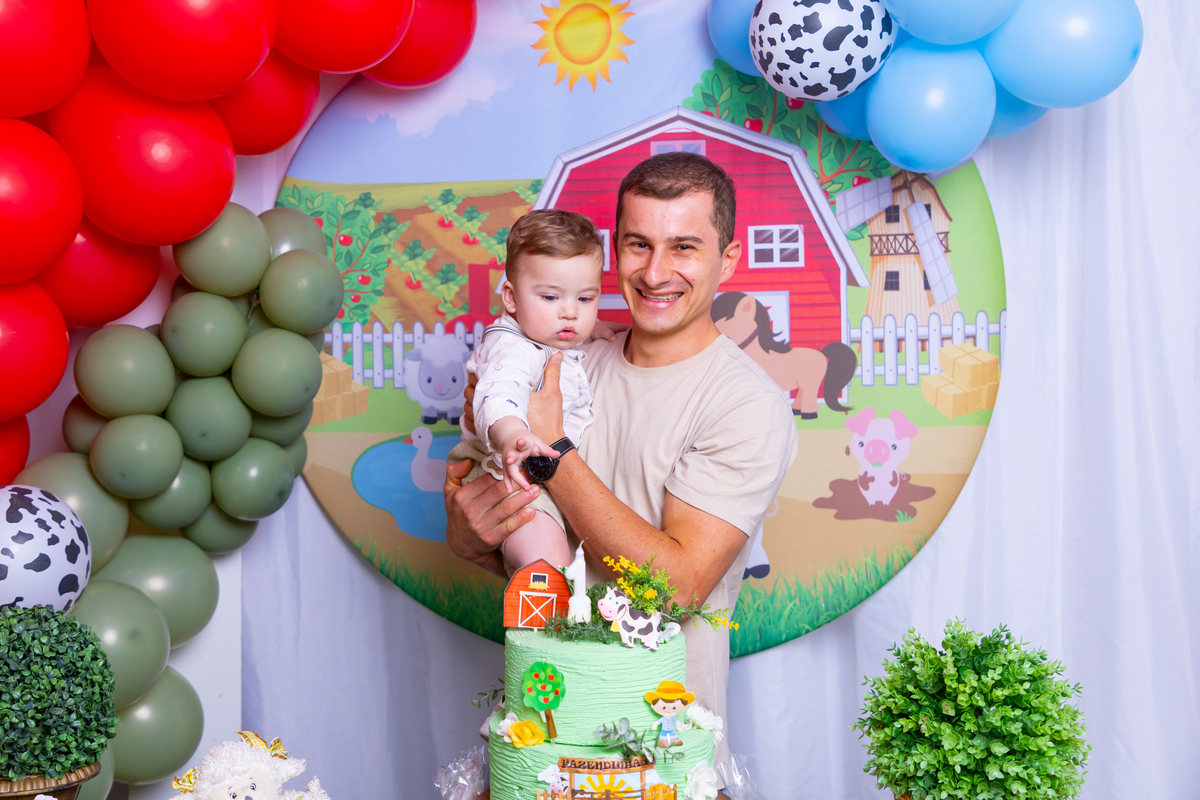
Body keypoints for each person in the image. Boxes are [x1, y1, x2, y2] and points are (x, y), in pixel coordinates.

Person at [444, 151, 799, 767]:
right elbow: (526, 552)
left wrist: (556, 450)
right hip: (543, 737)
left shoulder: (746, 405)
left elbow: (676, 589)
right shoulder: (568, 362)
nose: (656, 272)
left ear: (728, 260)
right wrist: (469, 534)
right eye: (639, 245)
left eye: (684, 247)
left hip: (661, 753)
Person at [447, 209, 621, 574]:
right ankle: (542, 601)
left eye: (585, 299)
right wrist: (514, 436)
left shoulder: (547, 332)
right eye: (551, 297)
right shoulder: (511, 348)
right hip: (509, 475)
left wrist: (594, 328)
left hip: (543, 476)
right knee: (549, 560)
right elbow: (498, 396)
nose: (570, 313)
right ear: (511, 298)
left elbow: (565, 322)